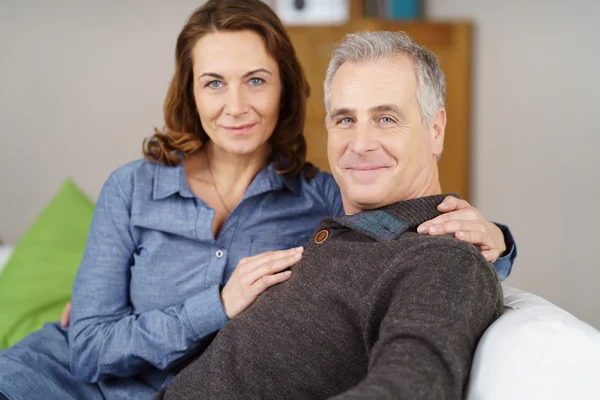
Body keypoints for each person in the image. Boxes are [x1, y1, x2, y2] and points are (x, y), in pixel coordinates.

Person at [0, 1, 515, 400]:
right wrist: (217, 305)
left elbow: (405, 220)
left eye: (256, 81)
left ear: (285, 87)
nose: (236, 106)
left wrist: (497, 244)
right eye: (214, 84)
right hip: (44, 380)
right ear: (191, 93)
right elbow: (88, 350)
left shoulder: (325, 196)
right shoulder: (131, 189)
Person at [155, 30, 505, 400]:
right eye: (345, 120)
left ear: (435, 130)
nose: (360, 144)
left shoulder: (442, 260)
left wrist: (499, 241)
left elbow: (409, 386)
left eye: (386, 119)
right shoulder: (345, 228)